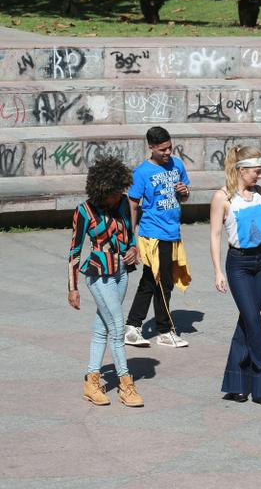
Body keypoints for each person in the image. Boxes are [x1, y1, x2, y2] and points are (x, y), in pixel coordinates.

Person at [209, 145, 261, 405]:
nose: (259, 175)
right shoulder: (222, 197)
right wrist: (218, 271)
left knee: (248, 321)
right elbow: (215, 235)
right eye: (256, 171)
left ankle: (237, 384)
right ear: (242, 170)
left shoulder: (259, 194)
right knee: (253, 321)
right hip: (239, 265)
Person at [68, 157, 144, 407]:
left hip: (121, 272)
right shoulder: (84, 211)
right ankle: (125, 384)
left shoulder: (123, 204)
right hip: (98, 275)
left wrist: (133, 249)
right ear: (101, 190)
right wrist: (73, 288)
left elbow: (130, 234)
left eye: (120, 192)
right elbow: (75, 251)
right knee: (118, 326)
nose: (118, 197)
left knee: (103, 326)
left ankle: (91, 381)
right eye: (113, 193)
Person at [124, 126, 192, 348]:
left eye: (170, 148)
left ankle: (132, 327)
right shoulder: (142, 173)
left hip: (172, 232)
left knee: (151, 279)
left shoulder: (177, 165)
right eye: (162, 149)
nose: (168, 153)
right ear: (151, 147)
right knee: (164, 281)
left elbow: (184, 197)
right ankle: (164, 330)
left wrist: (184, 193)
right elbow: (133, 207)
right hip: (153, 233)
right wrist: (130, 240)